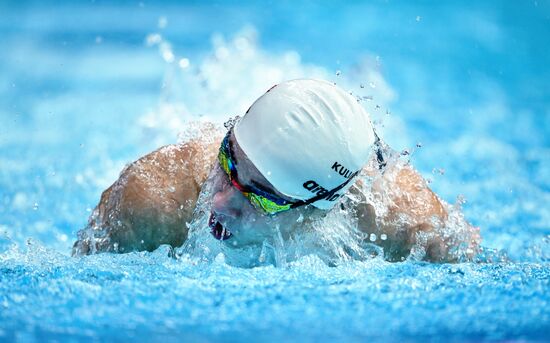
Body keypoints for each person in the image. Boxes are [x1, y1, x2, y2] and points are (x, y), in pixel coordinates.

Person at [72, 79, 480, 263]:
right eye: (228, 161)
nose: (220, 201)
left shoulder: (403, 222)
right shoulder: (152, 199)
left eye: (261, 194)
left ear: (317, 205)